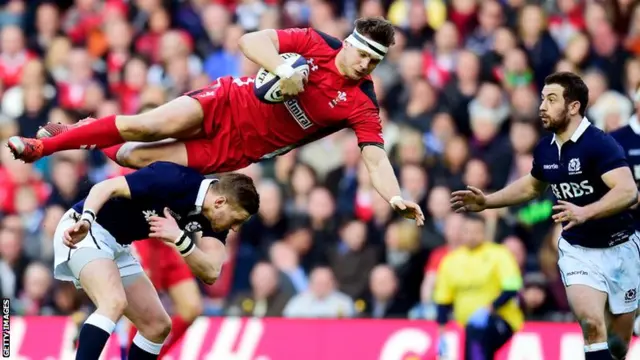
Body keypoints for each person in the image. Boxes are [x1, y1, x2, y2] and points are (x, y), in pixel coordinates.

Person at [6, 16, 424, 226]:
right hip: (226, 101)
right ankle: (42, 146)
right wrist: (282, 69)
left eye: (374, 61)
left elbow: (375, 159)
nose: (365, 64)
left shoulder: (361, 103)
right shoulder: (316, 43)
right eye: (363, 54)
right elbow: (250, 41)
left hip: (237, 149)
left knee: (134, 158)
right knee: (145, 125)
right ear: (349, 43)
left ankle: (82, 132)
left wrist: (393, 197)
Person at [451, 72, 640, 360]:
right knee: (591, 324)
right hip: (578, 250)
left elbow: (629, 193)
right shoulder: (546, 149)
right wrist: (487, 201)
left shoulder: (600, 144)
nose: (542, 106)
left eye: (551, 99)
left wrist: (585, 211)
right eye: (542, 99)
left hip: (621, 248)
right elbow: (531, 186)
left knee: (618, 344)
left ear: (573, 107)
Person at [53, 161, 259, 359]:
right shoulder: (174, 178)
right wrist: (87, 220)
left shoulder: (213, 219)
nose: (235, 228)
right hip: (86, 228)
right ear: (220, 202)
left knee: (157, 325)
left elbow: (212, 272)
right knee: (113, 302)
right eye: (237, 220)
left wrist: (179, 239)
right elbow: (104, 187)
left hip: (118, 245)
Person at [434, 213, 523, 360]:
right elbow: (443, 299)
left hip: (500, 319)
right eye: (467, 231)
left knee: (478, 333)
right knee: (476, 340)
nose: (472, 236)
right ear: (461, 232)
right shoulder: (450, 261)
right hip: (468, 326)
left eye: (477, 231)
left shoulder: (499, 254)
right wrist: (442, 333)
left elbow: (512, 288)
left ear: (484, 232)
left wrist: (489, 309)